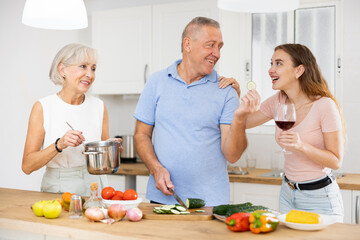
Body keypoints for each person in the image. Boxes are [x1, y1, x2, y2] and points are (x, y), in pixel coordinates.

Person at [134, 17, 259, 206]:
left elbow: (232, 155)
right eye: (210, 45)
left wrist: (240, 119)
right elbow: (141, 135)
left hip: (209, 204)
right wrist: (156, 168)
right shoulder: (156, 81)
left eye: (220, 47)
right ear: (188, 44)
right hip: (162, 198)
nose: (216, 53)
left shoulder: (226, 91)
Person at [245, 43, 345, 222]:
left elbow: (336, 161)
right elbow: (243, 122)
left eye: (278, 63)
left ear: (299, 70)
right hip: (287, 194)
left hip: (320, 197)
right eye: (271, 63)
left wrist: (301, 146)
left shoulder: (324, 105)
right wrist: (235, 93)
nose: (270, 70)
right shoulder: (278, 101)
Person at [22, 43, 121, 196]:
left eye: (93, 68)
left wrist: (111, 149)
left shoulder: (99, 106)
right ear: (62, 70)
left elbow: (103, 159)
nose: (90, 74)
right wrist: (59, 144)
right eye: (83, 66)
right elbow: (27, 166)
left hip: (95, 185)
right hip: (59, 186)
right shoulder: (43, 107)